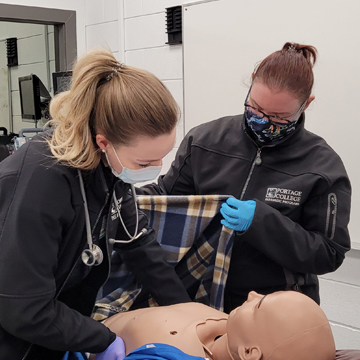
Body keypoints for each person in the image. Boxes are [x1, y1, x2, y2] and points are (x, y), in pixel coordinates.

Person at [0, 49, 190, 360]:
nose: (155, 168)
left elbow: (139, 246)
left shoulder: (111, 169)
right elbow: (22, 307)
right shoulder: (42, 180)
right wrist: (101, 340)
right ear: (104, 142)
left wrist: (185, 310)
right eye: (145, 161)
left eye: (162, 157)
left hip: (52, 330)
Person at [138, 42, 352, 312]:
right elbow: (166, 199)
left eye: (279, 118)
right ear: (251, 84)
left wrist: (262, 222)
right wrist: (120, 196)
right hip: (200, 298)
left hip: (274, 310)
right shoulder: (203, 141)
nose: (263, 122)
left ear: (305, 105)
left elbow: (329, 253)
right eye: (256, 108)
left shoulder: (323, 166)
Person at [97, 290, 336, 360]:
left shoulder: (170, 356)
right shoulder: (234, 332)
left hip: (90, 337)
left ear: (249, 352)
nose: (251, 294)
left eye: (258, 306)